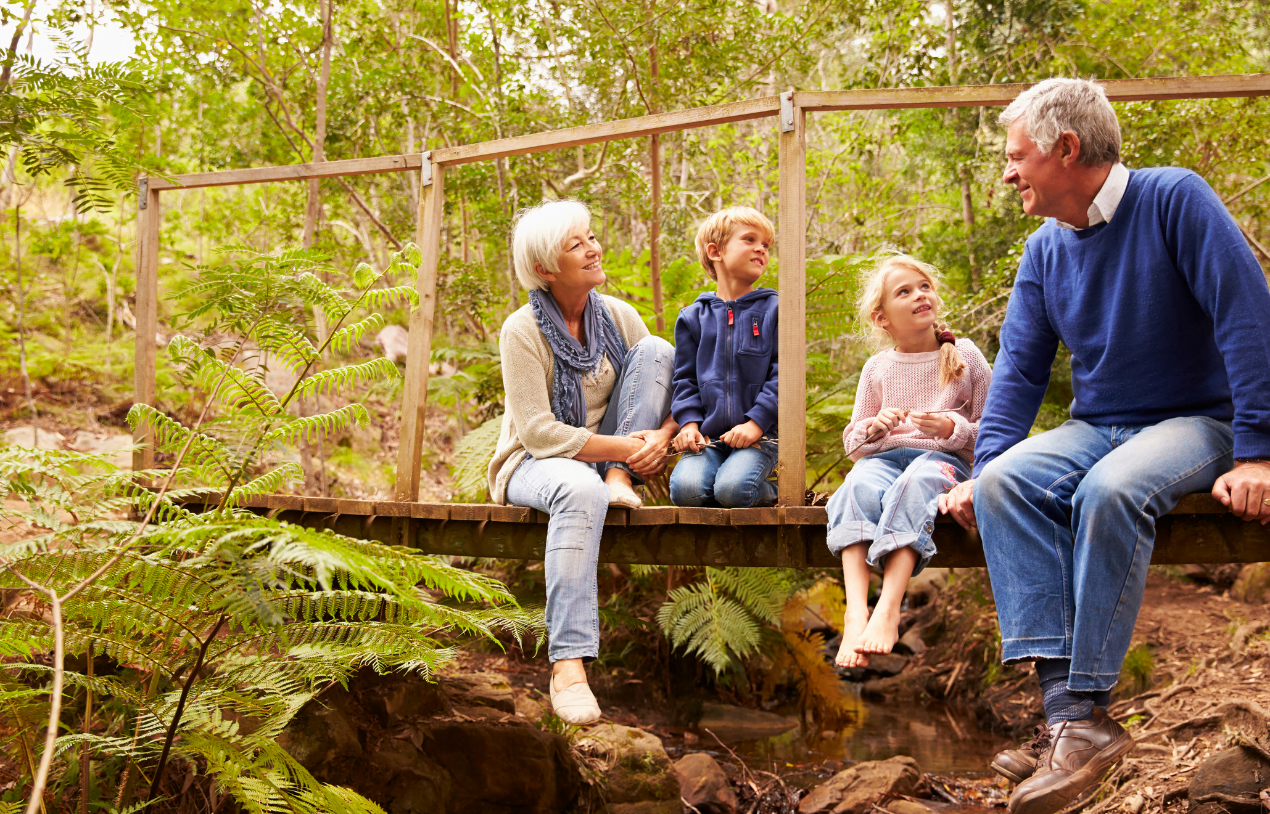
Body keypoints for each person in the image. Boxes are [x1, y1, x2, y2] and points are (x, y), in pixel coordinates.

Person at [936, 79, 1270, 814]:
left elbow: (1248, 317)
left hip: (1196, 421)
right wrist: (981, 470)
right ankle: (1070, 722)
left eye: (1017, 155)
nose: (1007, 172)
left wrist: (1257, 452)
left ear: (1067, 148)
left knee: (1111, 489)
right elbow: (1019, 372)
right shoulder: (1045, 251)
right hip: (1100, 425)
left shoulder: (1175, 199)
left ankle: (1081, 713)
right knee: (1003, 485)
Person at [489, 199, 679, 725]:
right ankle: (568, 666)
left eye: (591, 237)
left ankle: (616, 480)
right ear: (546, 268)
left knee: (658, 350)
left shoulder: (619, 316)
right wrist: (627, 447)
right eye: (577, 245)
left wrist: (661, 438)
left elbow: (667, 389)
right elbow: (540, 432)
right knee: (578, 487)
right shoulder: (521, 330)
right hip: (536, 462)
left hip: (612, 463)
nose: (594, 248)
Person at [825, 253, 991, 667]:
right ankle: (855, 611)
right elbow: (854, 447)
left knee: (912, 485)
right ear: (882, 318)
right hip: (881, 460)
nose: (920, 295)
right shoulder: (877, 368)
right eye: (905, 292)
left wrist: (951, 431)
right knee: (856, 486)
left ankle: (888, 608)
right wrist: (873, 427)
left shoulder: (965, 356)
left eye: (924, 287)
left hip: (942, 462)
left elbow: (993, 433)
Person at [669, 206, 780, 508]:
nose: (761, 248)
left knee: (733, 490)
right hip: (710, 439)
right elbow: (685, 378)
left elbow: (784, 374)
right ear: (715, 251)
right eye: (749, 239)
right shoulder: (693, 317)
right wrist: (689, 424)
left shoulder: (775, 309)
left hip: (762, 435)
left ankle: (777, 493)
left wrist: (756, 422)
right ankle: (726, 486)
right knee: (686, 491)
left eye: (766, 245)